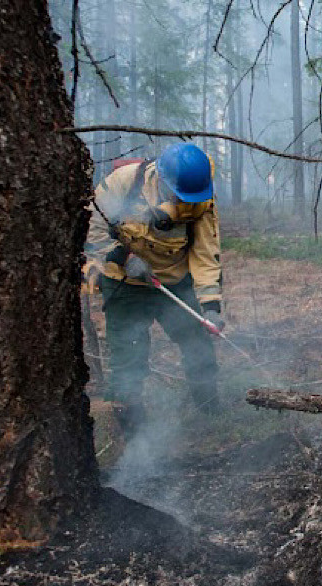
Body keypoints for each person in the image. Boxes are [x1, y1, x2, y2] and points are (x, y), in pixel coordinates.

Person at [86, 143, 225, 437]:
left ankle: (210, 406)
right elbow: (91, 228)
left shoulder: (201, 201)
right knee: (128, 353)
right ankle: (132, 423)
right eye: (176, 193)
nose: (179, 200)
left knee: (196, 342)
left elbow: (205, 254)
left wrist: (211, 306)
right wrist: (122, 257)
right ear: (161, 178)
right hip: (124, 282)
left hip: (173, 281)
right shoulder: (124, 183)